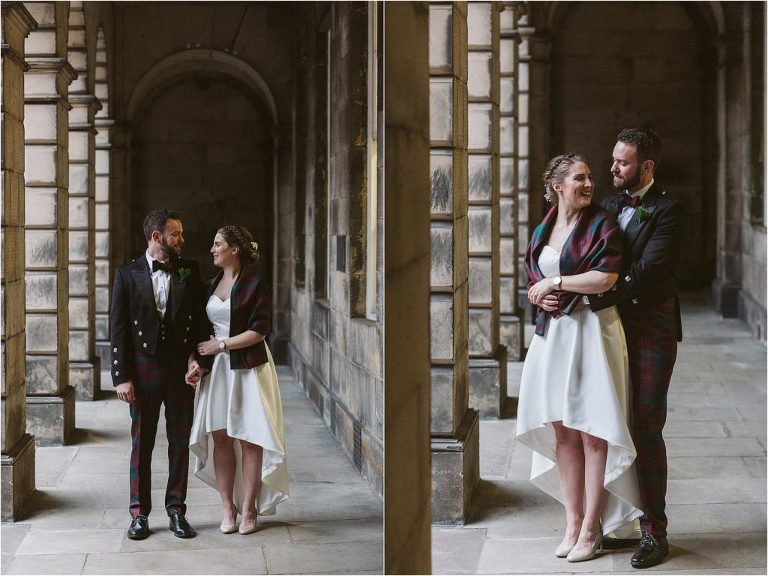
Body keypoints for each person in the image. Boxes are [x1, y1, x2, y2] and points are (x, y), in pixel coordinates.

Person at [516, 154, 643, 563]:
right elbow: (532, 271)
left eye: (590, 177)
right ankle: (572, 522)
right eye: (579, 178)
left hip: (592, 331)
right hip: (552, 334)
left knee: (592, 427)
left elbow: (605, 277)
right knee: (562, 428)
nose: (589, 184)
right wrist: (540, 289)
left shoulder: (602, 223)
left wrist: (554, 281)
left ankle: (593, 527)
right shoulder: (543, 227)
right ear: (558, 186)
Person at [589, 128, 687, 569]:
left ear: (646, 166)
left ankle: (654, 532)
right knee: (608, 425)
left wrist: (595, 293)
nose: (612, 168)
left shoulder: (670, 208)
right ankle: (617, 521)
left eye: (622, 162)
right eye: (613, 159)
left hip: (651, 330)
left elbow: (648, 272)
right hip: (607, 329)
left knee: (645, 427)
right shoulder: (608, 205)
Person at [110, 208, 207, 540]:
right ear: (156, 237)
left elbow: (199, 321)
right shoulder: (126, 274)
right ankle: (139, 514)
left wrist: (197, 359)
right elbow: (118, 330)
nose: (182, 239)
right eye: (176, 233)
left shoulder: (188, 270)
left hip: (181, 369)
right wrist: (121, 376)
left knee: (179, 442)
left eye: (180, 233)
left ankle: (177, 510)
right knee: (142, 443)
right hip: (143, 369)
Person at [187, 225, 289, 535]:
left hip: (249, 367)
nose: (212, 249)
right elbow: (200, 333)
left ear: (235, 249)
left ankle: (249, 510)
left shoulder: (256, 282)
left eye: (217, 244)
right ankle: (227, 508)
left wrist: (221, 345)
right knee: (220, 438)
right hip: (217, 371)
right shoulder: (210, 284)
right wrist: (195, 360)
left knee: (250, 438)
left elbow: (259, 330)